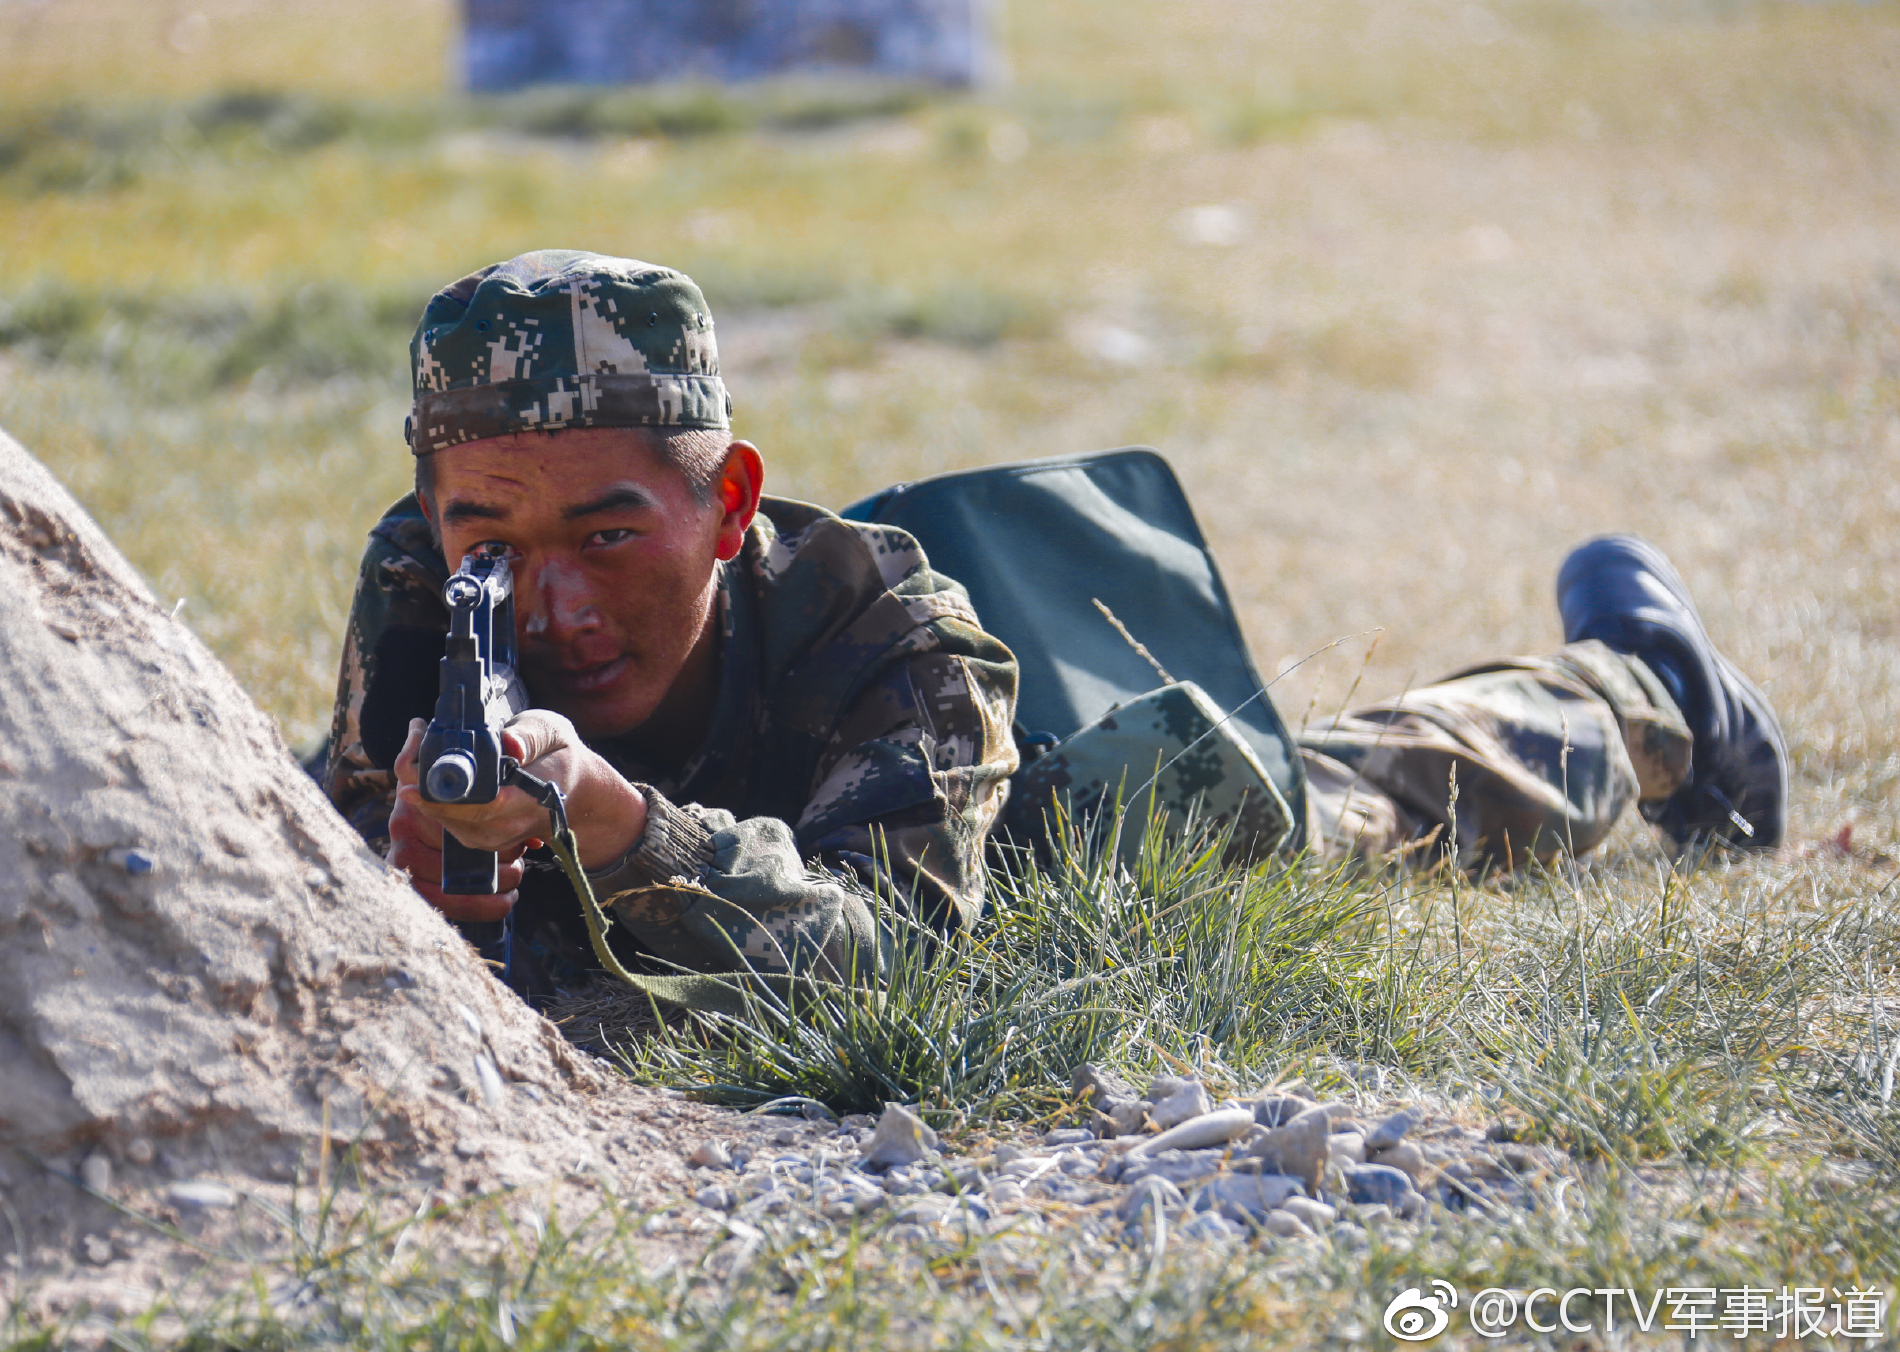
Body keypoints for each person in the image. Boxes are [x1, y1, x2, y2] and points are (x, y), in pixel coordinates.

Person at [323, 249, 1787, 1002]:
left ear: (728, 502)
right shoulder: (426, 605)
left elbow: (890, 967)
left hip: (1025, 832)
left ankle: (1639, 689)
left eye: (607, 533)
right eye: (490, 537)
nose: (554, 600)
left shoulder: (897, 634)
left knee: (1332, 801)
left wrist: (611, 820)